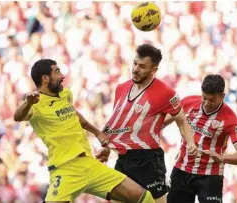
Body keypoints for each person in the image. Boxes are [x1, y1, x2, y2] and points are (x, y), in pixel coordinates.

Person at [13, 59, 155, 203]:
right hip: (65, 169)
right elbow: (18, 116)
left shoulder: (65, 94)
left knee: (144, 198)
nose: (62, 76)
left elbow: (74, 115)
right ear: (45, 78)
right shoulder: (35, 104)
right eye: (57, 72)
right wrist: (28, 102)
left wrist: (97, 133)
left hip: (89, 164)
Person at [97, 44, 198, 203]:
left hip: (148, 159)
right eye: (135, 63)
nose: (136, 69)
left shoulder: (166, 93)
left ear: (154, 70)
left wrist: (191, 142)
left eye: (142, 66)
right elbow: (116, 122)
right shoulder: (121, 88)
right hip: (123, 159)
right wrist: (106, 149)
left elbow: (181, 120)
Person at [163, 74, 237, 203]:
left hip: (210, 175)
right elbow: (162, 123)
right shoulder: (188, 103)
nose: (206, 103)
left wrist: (223, 158)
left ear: (222, 96)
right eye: (204, 98)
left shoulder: (230, 119)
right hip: (182, 169)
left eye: (212, 100)